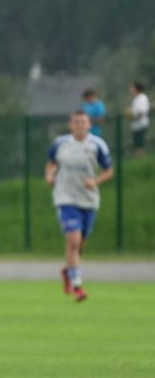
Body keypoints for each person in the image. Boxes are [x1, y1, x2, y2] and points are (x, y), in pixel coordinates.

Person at [45, 111, 113, 302]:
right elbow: (51, 163)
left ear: (89, 125)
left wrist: (95, 181)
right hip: (65, 197)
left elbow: (108, 171)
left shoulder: (97, 145)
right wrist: (49, 175)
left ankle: (68, 270)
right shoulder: (60, 143)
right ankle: (77, 286)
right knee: (73, 241)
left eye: (83, 122)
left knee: (80, 244)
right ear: (70, 125)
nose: (80, 125)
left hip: (88, 199)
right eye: (76, 122)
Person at [128, 81, 149, 157]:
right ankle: (138, 157)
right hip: (136, 125)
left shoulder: (142, 98)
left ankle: (140, 157)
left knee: (139, 142)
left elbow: (141, 111)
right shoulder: (136, 98)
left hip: (140, 124)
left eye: (132, 87)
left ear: (136, 89)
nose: (131, 89)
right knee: (137, 142)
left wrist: (132, 117)